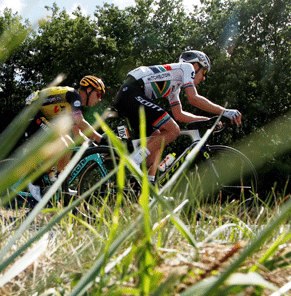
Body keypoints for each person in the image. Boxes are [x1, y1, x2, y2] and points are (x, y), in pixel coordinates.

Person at [112, 50, 242, 183]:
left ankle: (148, 187)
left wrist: (206, 120)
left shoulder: (174, 84)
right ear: (196, 66)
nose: (204, 78)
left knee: (158, 139)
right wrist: (224, 111)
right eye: (204, 72)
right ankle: (133, 161)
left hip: (128, 95)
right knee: (173, 130)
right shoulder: (187, 67)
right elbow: (193, 98)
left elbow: (179, 114)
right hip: (132, 93)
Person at [24, 75, 106, 201]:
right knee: (63, 143)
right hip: (32, 111)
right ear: (89, 90)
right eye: (99, 95)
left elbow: (77, 132)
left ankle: (60, 184)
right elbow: (80, 122)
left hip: (44, 115)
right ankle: (35, 182)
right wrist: (101, 139)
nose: (99, 100)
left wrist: (91, 144)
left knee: (69, 143)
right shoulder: (74, 96)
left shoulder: (74, 104)